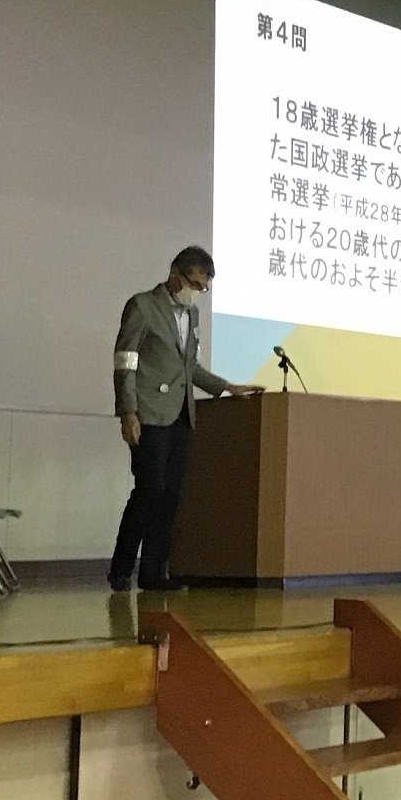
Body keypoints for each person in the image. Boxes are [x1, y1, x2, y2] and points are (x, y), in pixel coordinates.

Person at [109, 246, 263, 592]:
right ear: (174, 273)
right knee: (149, 490)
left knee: (171, 496)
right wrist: (128, 412)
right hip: (149, 412)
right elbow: (125, 361)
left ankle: (153, 573)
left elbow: (188, 366)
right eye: (193, 284)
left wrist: (225, 386)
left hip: (181, 414)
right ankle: (121, 568)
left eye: (203, 288)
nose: (196, 292)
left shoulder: (191, 315)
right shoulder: (143, 306)